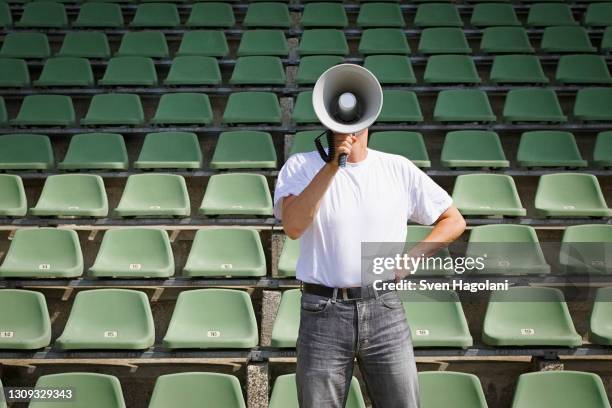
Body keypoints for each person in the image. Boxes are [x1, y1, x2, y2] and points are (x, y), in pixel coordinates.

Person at [273, 129, 466, 408]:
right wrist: (331, 166)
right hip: (323, 310)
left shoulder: (397, 167)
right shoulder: (300, 165)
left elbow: (453, 220)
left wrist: (412, 257)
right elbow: (293, 226)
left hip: (383, 309)